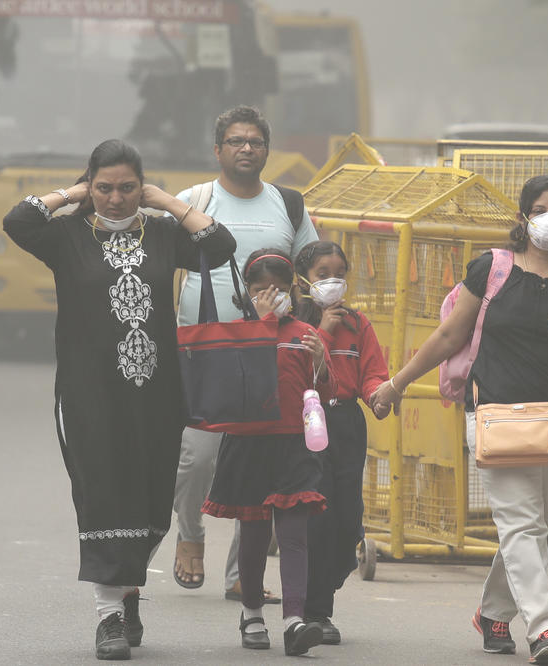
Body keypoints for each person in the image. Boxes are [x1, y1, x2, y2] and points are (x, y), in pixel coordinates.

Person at [2, 139, 236, 660]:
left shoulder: (164, 234)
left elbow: (220, 248)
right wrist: (71, 194)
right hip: (89, 396)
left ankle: (128, 589)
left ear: (142, 186)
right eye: (104, 188)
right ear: (91, 186)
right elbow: (17, 222)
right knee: (102, 493)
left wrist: (168, 202)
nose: (115, 198)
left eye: (127, 187)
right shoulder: (65, 236)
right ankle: (108, 616)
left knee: (152, 500)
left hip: (157, 395)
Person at [371, 175, 548, 663]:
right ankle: (546, 628)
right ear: (523, 217)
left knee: (532, 523)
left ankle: (492, 611)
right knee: (522, 524)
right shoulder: (492, 269)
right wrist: (395, 385)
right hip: (493, 414)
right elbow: (447, 336)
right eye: (541, 208)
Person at [170, 105, 319, 602]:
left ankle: (240, 575)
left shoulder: (288, 205)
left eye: (255, 142)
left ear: (267, 150)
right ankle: (190, 536)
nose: (246, 149)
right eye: (235, 141)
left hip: (269, 352)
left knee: (258, 459)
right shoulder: (194, 200)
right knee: (197, 457)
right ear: (217, 150)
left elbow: (314, 271)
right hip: (206, 348)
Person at [200, 249, 332, 656]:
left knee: (293, 534)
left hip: (294, 444)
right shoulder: (236, 334)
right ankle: (252, 612)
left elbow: (327, 394)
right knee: (255, 534)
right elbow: (224, 389)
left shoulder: (309, 333)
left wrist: (321, 364)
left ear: (293, 289)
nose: (269, 297)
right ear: (246, 292)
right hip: (248, 444)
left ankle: (294, 620)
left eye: (277, 289)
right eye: (260, 290)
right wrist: (259, 328)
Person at [293, 240, 391, 645]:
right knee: (316, 517)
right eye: (322, 274)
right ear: (303, 280)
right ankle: (315, 612)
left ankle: (322, 590)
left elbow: (372, 373)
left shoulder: (359, 323)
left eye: (339, 274)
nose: (332, 282)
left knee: (347, 519)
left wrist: (378, 395)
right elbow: (294, 373)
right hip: (306, 422)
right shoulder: (293, 324)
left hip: (346, 423)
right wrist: (323, 330)